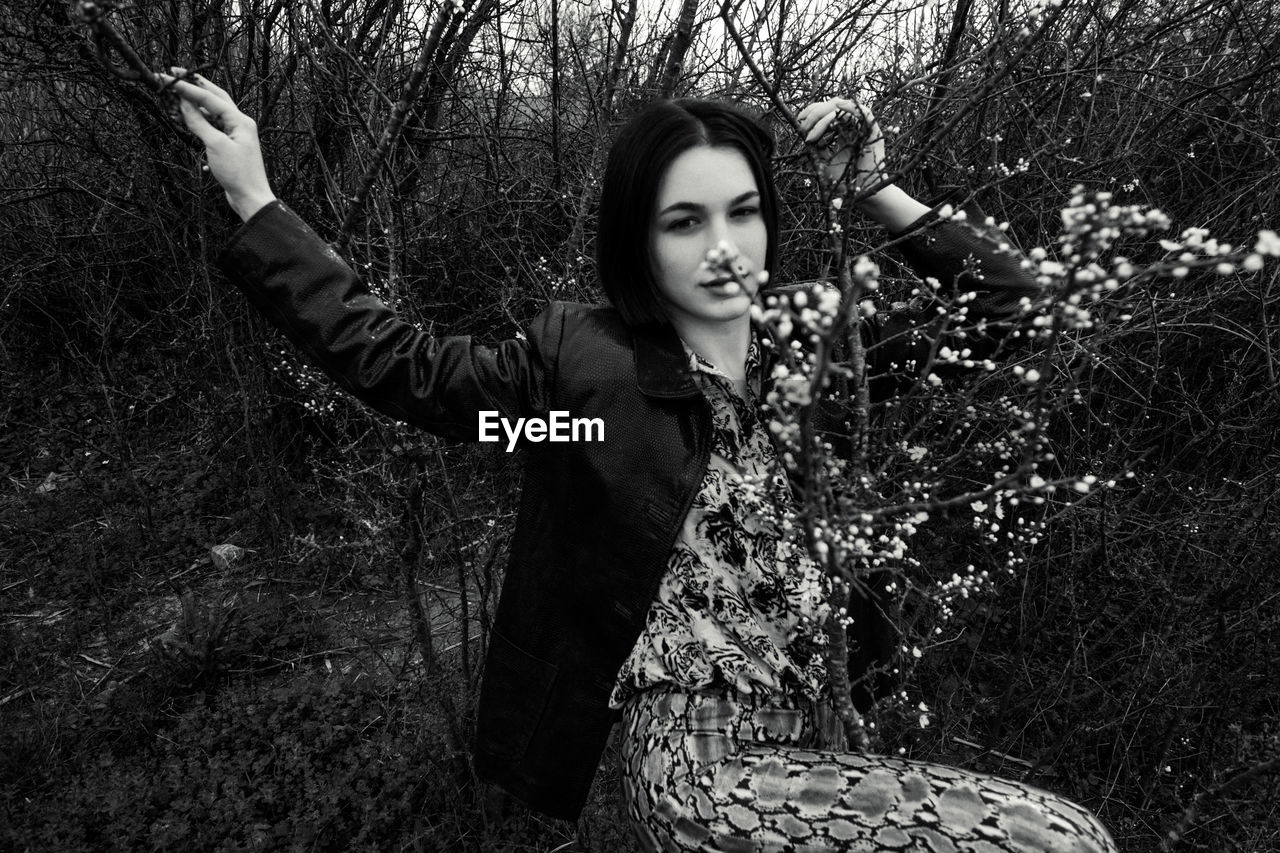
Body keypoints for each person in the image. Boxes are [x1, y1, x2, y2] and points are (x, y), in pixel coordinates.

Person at [159, 67, 1117, 852]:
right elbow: (402, 367)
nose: (724, 247)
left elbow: (1017, 314)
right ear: (637, 237)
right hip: (702, 769)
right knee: (1062, 839)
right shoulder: (585, 372)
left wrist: (874, 187)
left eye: (743, 212)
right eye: (682, 221)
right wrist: (254, 196)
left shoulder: (809, 344)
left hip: (821, 725)